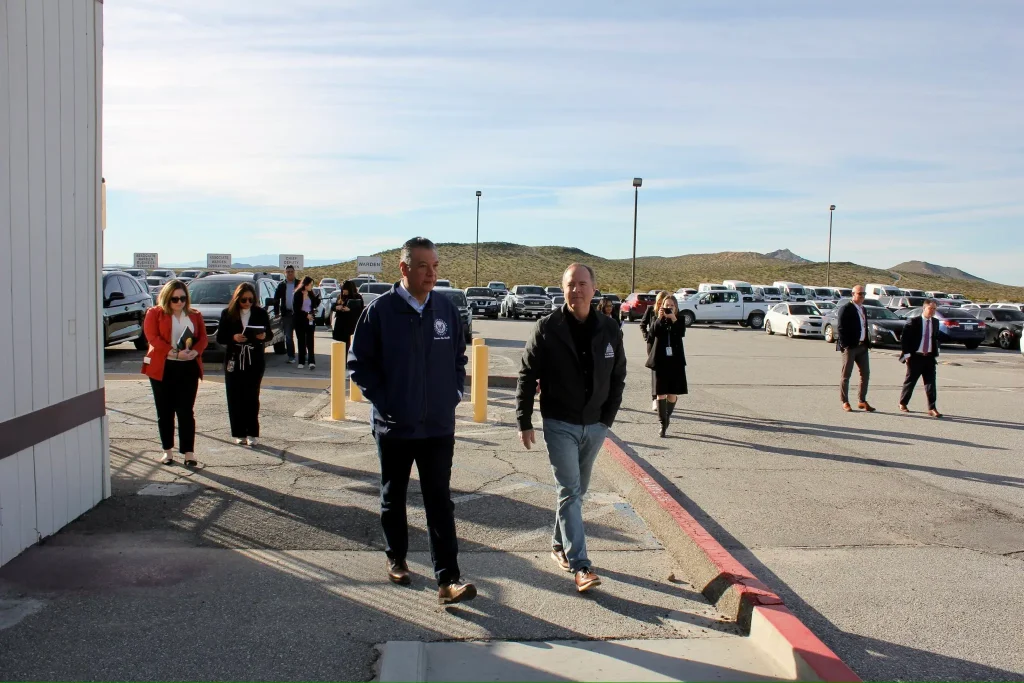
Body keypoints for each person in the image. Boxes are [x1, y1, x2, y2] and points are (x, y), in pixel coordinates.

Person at [349, 237, 476, 605]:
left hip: (437, 427)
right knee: (395, 495)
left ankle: (448, 579)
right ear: (404, 268)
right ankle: (397, 558)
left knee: (440, 501)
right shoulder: (381, 311)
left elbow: (458, 358)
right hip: (395, 426)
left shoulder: (445, 309)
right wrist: (388, 404)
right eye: (424, 266)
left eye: (435, 266)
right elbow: (359, 365)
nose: (432, 273)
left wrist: (452, 394)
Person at [516, 263, 627, 593]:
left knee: (575, 494)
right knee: (569, 490)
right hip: (559, 422)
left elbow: (618, 377)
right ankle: (581, 565)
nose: (576, 290)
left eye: (582, 284)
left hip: (594, 425)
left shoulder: (610, 328)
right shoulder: (547, 327)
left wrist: (606, 419)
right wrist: (524, 421)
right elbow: (526, 375)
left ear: (594, 289)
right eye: (570, 284)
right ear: (562, 289)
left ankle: (558, 546)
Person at [141, 279, 208, 467]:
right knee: (165, 411)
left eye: (183, 298)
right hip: (163, 368)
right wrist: (173, 353)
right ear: (166, 298)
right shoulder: (155, 313)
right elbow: (152, 337)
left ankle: (189, 453)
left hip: (188, 368)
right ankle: (167, 451)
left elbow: (202, 338)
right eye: (174, 299)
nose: (179, 302)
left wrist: (196, 351)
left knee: (186, 411)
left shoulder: (194, 315)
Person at [217, 283, 270, 446]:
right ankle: (239, 432)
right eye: (244, 300)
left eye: (250, 300)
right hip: (234, 358)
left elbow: (269, 334)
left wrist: (263, 336)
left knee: (252, 397)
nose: (247, 303)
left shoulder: (260, 313)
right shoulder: (227, 314)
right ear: (237, 299)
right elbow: (220, 337)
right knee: (235, 397)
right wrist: (233, 337)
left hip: (254, 358)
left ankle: (252, 432)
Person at [646, 291, 687, 438]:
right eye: (666, 305)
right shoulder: (658, 319)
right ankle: (663, 424)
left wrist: (673, 319)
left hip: (675, 362)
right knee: (660, 393)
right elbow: (652, 334)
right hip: (661, 361)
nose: (669, 307)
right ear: (661, 306)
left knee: (672, 394)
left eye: (672, 305)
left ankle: (667, 417)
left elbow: (680, 333)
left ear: (676, 307)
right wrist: (659, 318)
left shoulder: (679, 320)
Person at [899, 299, 942, 418]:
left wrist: (936, 350)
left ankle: (932, 407)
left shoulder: (935, 322)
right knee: (910, 381)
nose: (933, 311)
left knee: (931, 384)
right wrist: (907, 355)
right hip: (915, 357)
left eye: (934, 309)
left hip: (929, 357)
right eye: (930, 308)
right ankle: (903, 403)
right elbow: (905, 339)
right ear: (924, 308)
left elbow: (936, 338)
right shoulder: (914, 321)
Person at [836, 285, 875, 412]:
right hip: (850, 347)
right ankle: (845, 401)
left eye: (864, 294)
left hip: (862, 346)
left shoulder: (863, 309)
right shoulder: (846, 309)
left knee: (866, 374)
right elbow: (841, 328)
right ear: (853, 294)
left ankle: (862, 400)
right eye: (860, 293)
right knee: (846, 375)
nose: (862, 296)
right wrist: (845, 345)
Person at [292, 276, 320, 370]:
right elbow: (296, 309)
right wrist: (305, 315)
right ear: (305, 285)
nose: (311, 286)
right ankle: (301, 361)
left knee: (310, 341)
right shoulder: (297, 294)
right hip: (300, 320)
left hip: (310, 320)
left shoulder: (311, 294)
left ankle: (311, 362)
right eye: (310, 285)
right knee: (301, 341)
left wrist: (317, 300)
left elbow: (314, 305)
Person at [273, 265, 299, 364]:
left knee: (301, 336)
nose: (290, 273)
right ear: (285, 273)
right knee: (288, 336)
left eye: (291, 271)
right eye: (288, 272)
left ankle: (303, 356)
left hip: (298, 315)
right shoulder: (281, 285)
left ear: (294, 272)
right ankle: (291, 356)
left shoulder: (299, 284)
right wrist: (276, 312)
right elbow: (276, 299)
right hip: (287, 314)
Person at [639, 298, 658, 411]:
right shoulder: (651, 309)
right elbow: (642, 324)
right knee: (655, 371)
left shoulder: (670, 310)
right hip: (653, 344)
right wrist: (647, 336)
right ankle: (654, 398)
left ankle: (663, 396)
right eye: (659, 302)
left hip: (666, 345)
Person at [331, 279, 364, 346]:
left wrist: (350, 310)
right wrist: (337, 307)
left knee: (350, 344)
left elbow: (360, 310)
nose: (344, 291)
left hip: (351, 324)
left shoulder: (357, 297)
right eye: (343, 289)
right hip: (341, 324)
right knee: (342, 345)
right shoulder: (340, 297)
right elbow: (333, 306)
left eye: (345, 289)